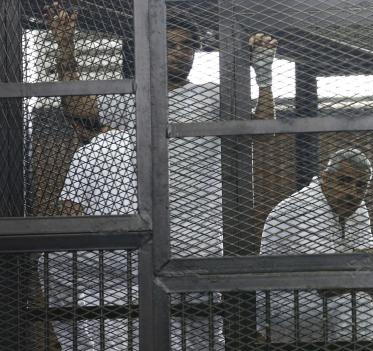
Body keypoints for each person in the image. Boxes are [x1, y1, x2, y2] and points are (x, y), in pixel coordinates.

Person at [39, 2, 279, 350]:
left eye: (187, 46)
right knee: (56, 261)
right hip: (146, 236)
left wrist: (264, 74)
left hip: (198, 237)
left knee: (202, 334)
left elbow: (264, 130)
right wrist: (64, 44)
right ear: (152, 49)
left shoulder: (213, 95)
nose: (179, 53)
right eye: (170, 45)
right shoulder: (135, 96)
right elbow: (76, 107)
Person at [257, 148, 373, 344]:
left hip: (318, 305)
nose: (353, 192)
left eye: (361, 186)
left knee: (359, 301)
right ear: (326, 178)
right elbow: (327, 284)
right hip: (284, 305)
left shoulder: (357, 207)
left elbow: (369, 257)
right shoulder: (307, 205)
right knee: (357, 303)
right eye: (345, 181)